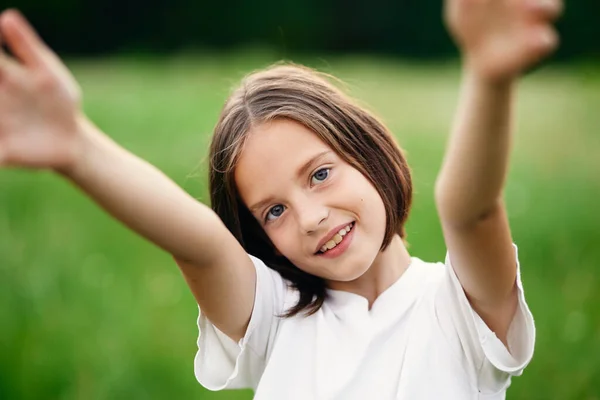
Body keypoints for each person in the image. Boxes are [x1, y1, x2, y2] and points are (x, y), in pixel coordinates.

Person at [0, 0, 562, 398]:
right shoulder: (276, 316)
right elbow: (197, 243)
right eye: (273, 211)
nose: (312, 218)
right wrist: (77, 148)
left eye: (319, 174)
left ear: (367, 150)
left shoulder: (462, 310)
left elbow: (470, 209)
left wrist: (489, 78)